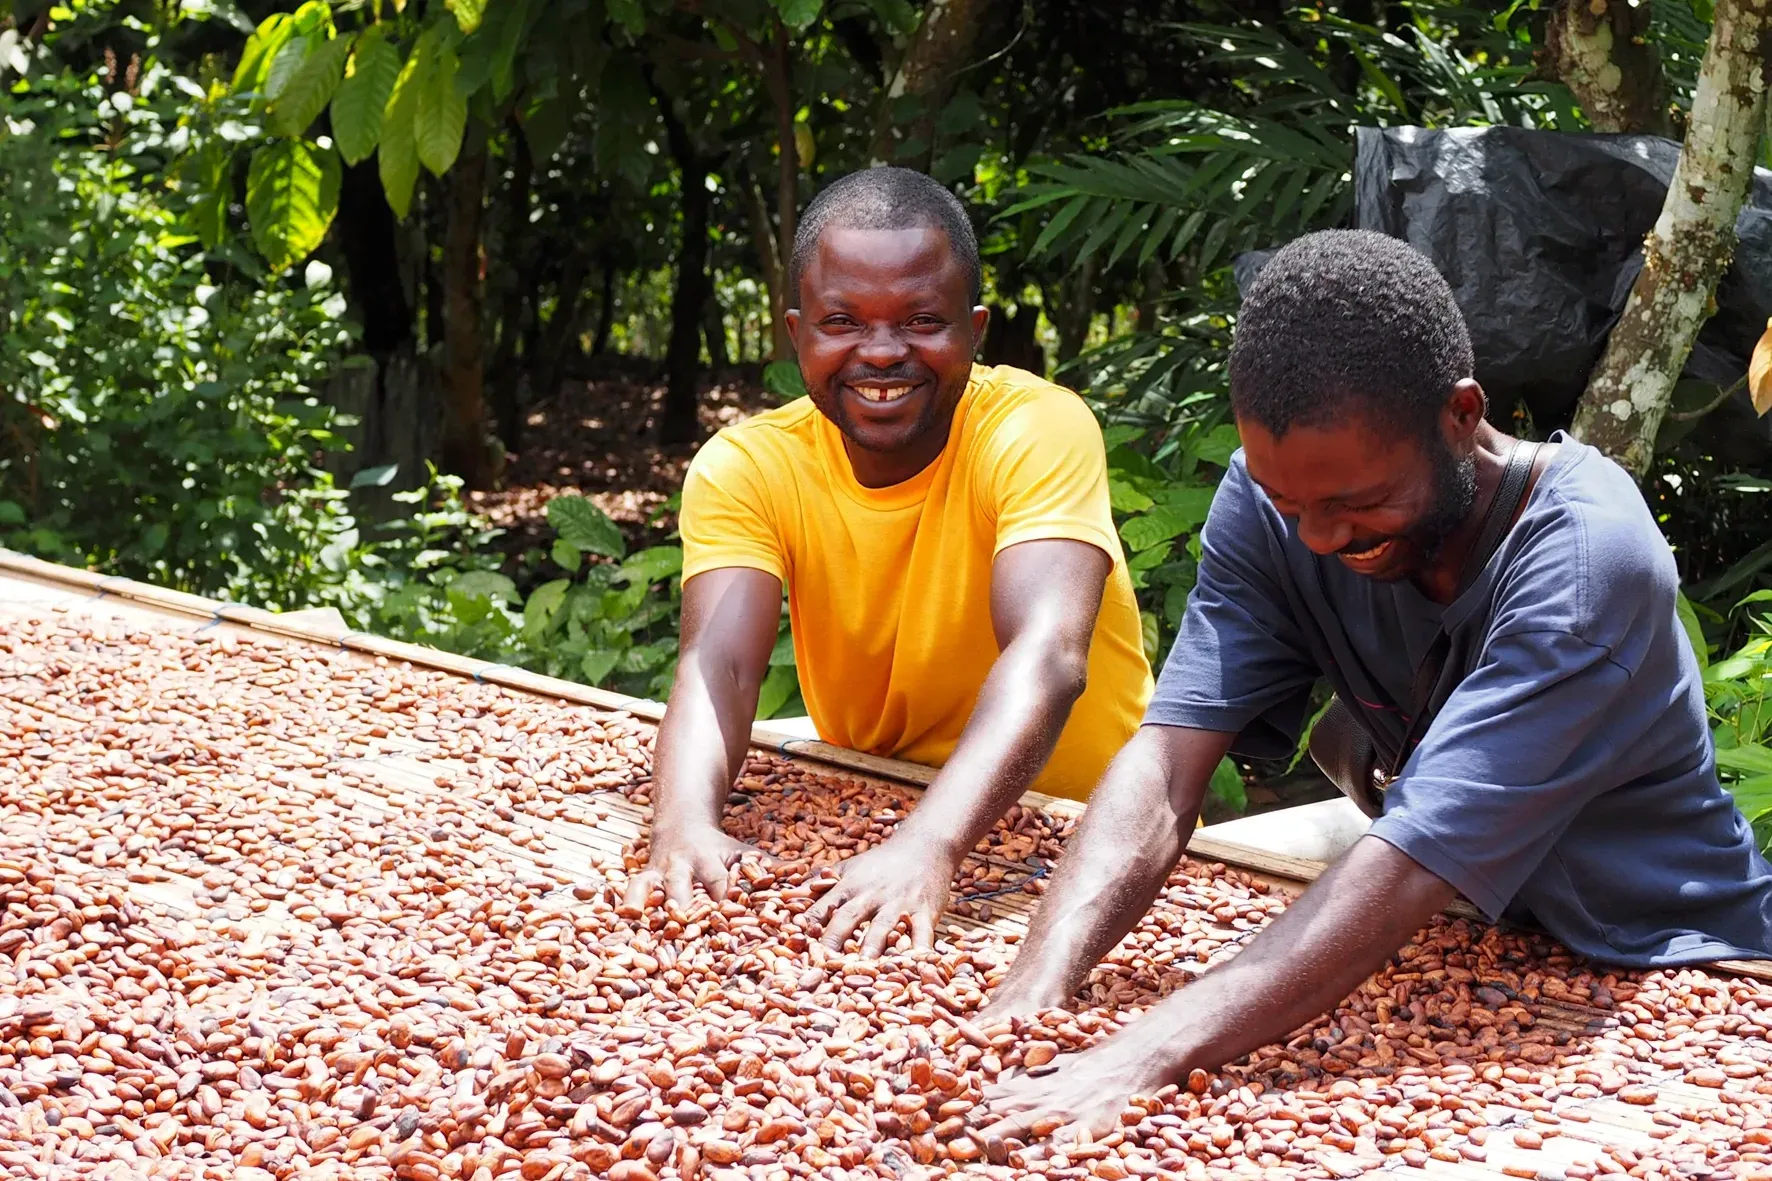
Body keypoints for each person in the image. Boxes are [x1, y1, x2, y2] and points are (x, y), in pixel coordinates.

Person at [970, 229, 1772, 1143]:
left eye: (1355, 504)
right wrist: (1035, 988)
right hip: (1478, 936)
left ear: (1460, 416)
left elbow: (1409, 860)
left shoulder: (1588, 566)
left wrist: (1142, 1053)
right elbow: (1167, 760)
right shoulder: (1272, 501)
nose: (1316, 535)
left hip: (1676, 954)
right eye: (1289, 502)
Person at [623, 167, 1153, 956]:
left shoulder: (1036, 430)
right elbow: (720, 667)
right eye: (842, 321)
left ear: (974, 330)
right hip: (864, 816)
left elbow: (1049, 655)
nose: (880, 353)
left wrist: (929, 844)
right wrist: (685, 823)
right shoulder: (747, 466)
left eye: (921, 321)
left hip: (1084, 839)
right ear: (796, 331)